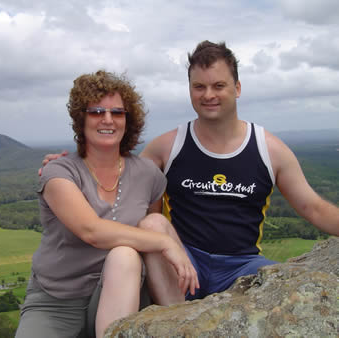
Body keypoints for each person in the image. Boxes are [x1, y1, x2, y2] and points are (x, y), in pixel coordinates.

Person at [40, 41, 339, 303]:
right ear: (190, 90)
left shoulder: (268, 150)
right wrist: (68, 166)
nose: (208, 94)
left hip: (242, 264)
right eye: (199, 86)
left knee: (292, 289)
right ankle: (176, 320)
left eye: (218, 85)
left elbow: (312, 207)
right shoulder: (168, 146)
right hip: (181, 262)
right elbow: (118, 176)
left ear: (236, 88)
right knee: (154, 223)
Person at [16, 70, 197, 338]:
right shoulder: (59, 172)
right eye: (96, 111)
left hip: (124, 294)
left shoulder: (148, 175)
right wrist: (167, 243)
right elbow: (91, 230)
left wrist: (162, 238)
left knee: (142, 237)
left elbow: (149, 241)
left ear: (128, 119)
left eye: (117, 112)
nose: (108, 120)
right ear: (81, 119)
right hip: (57, 302)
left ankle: (180, 324)